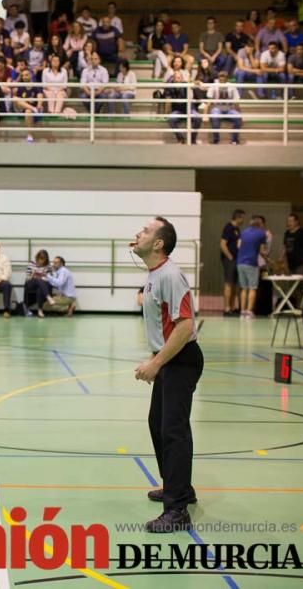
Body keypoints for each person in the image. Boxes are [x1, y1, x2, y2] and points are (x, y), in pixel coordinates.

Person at [131, 217, 202, 533]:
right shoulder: (154, 275)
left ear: (159, 243)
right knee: (158, 424)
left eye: (145, 231)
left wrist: (157, 363)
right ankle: (178, 487)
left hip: (181, 360)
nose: (138, 233)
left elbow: (185, 326)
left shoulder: (170, 275)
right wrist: (156, 357)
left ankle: (178, 509)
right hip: (169, 358)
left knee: (173, 430)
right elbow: (165, 323)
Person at [236, 215, 268, 318]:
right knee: (252, 288)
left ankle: (242, 311)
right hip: (251, 263)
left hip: (240, 263)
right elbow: (262, 250)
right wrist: (267, 259)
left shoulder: (244, 232)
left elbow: (238, 245)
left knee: (243, 288)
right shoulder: (261, 233)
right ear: (260, 224)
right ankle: (249, 312)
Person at [219, 209, 245, 316]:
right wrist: (229, 257)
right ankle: (226, 308)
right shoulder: (228, 227)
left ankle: (233, 306)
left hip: (236, 259)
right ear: (238, 217)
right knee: (229, 283)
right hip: (230, 260)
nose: (243, 220)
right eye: (242, 218)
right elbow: (222, 244)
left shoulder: (237, 229)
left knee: (234, 284)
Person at [23, 249, 51, 318]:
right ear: (37, 257)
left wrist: (43, 276)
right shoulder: (31, 263)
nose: (41, 261)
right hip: (31, 283)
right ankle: (48, 297)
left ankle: (40, 311)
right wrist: (32, 274)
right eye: (40, 259)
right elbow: (27, 278)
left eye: (43, 259)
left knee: (40, 288)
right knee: (38, 280)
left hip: (42, 285)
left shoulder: (48, 266)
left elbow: (49, 279)